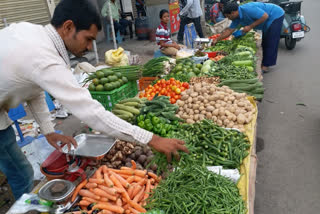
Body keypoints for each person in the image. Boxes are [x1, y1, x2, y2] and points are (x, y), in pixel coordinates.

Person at [0, 0, 188, 200]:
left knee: (17, 168)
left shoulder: (34, 35)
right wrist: (152, 139)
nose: (90, 47)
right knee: (22, 174)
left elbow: (34, 89)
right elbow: (92, 113)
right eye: (88, 39)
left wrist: (47, 130)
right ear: (68, 27)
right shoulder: (44, 57)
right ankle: (26, 208)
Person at [212, 2, 284, 73]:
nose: (228, 18)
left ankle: (265, 66)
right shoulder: (236, 18)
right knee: (265, 41)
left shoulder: (248, 9)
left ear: (233, 13)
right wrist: (216, 39)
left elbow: (265, 16)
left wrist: (250, 26)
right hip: (267, 19)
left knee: (270, 40)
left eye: (228, 16)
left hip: (275, 14)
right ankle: (265, 62)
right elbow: (229, 30)